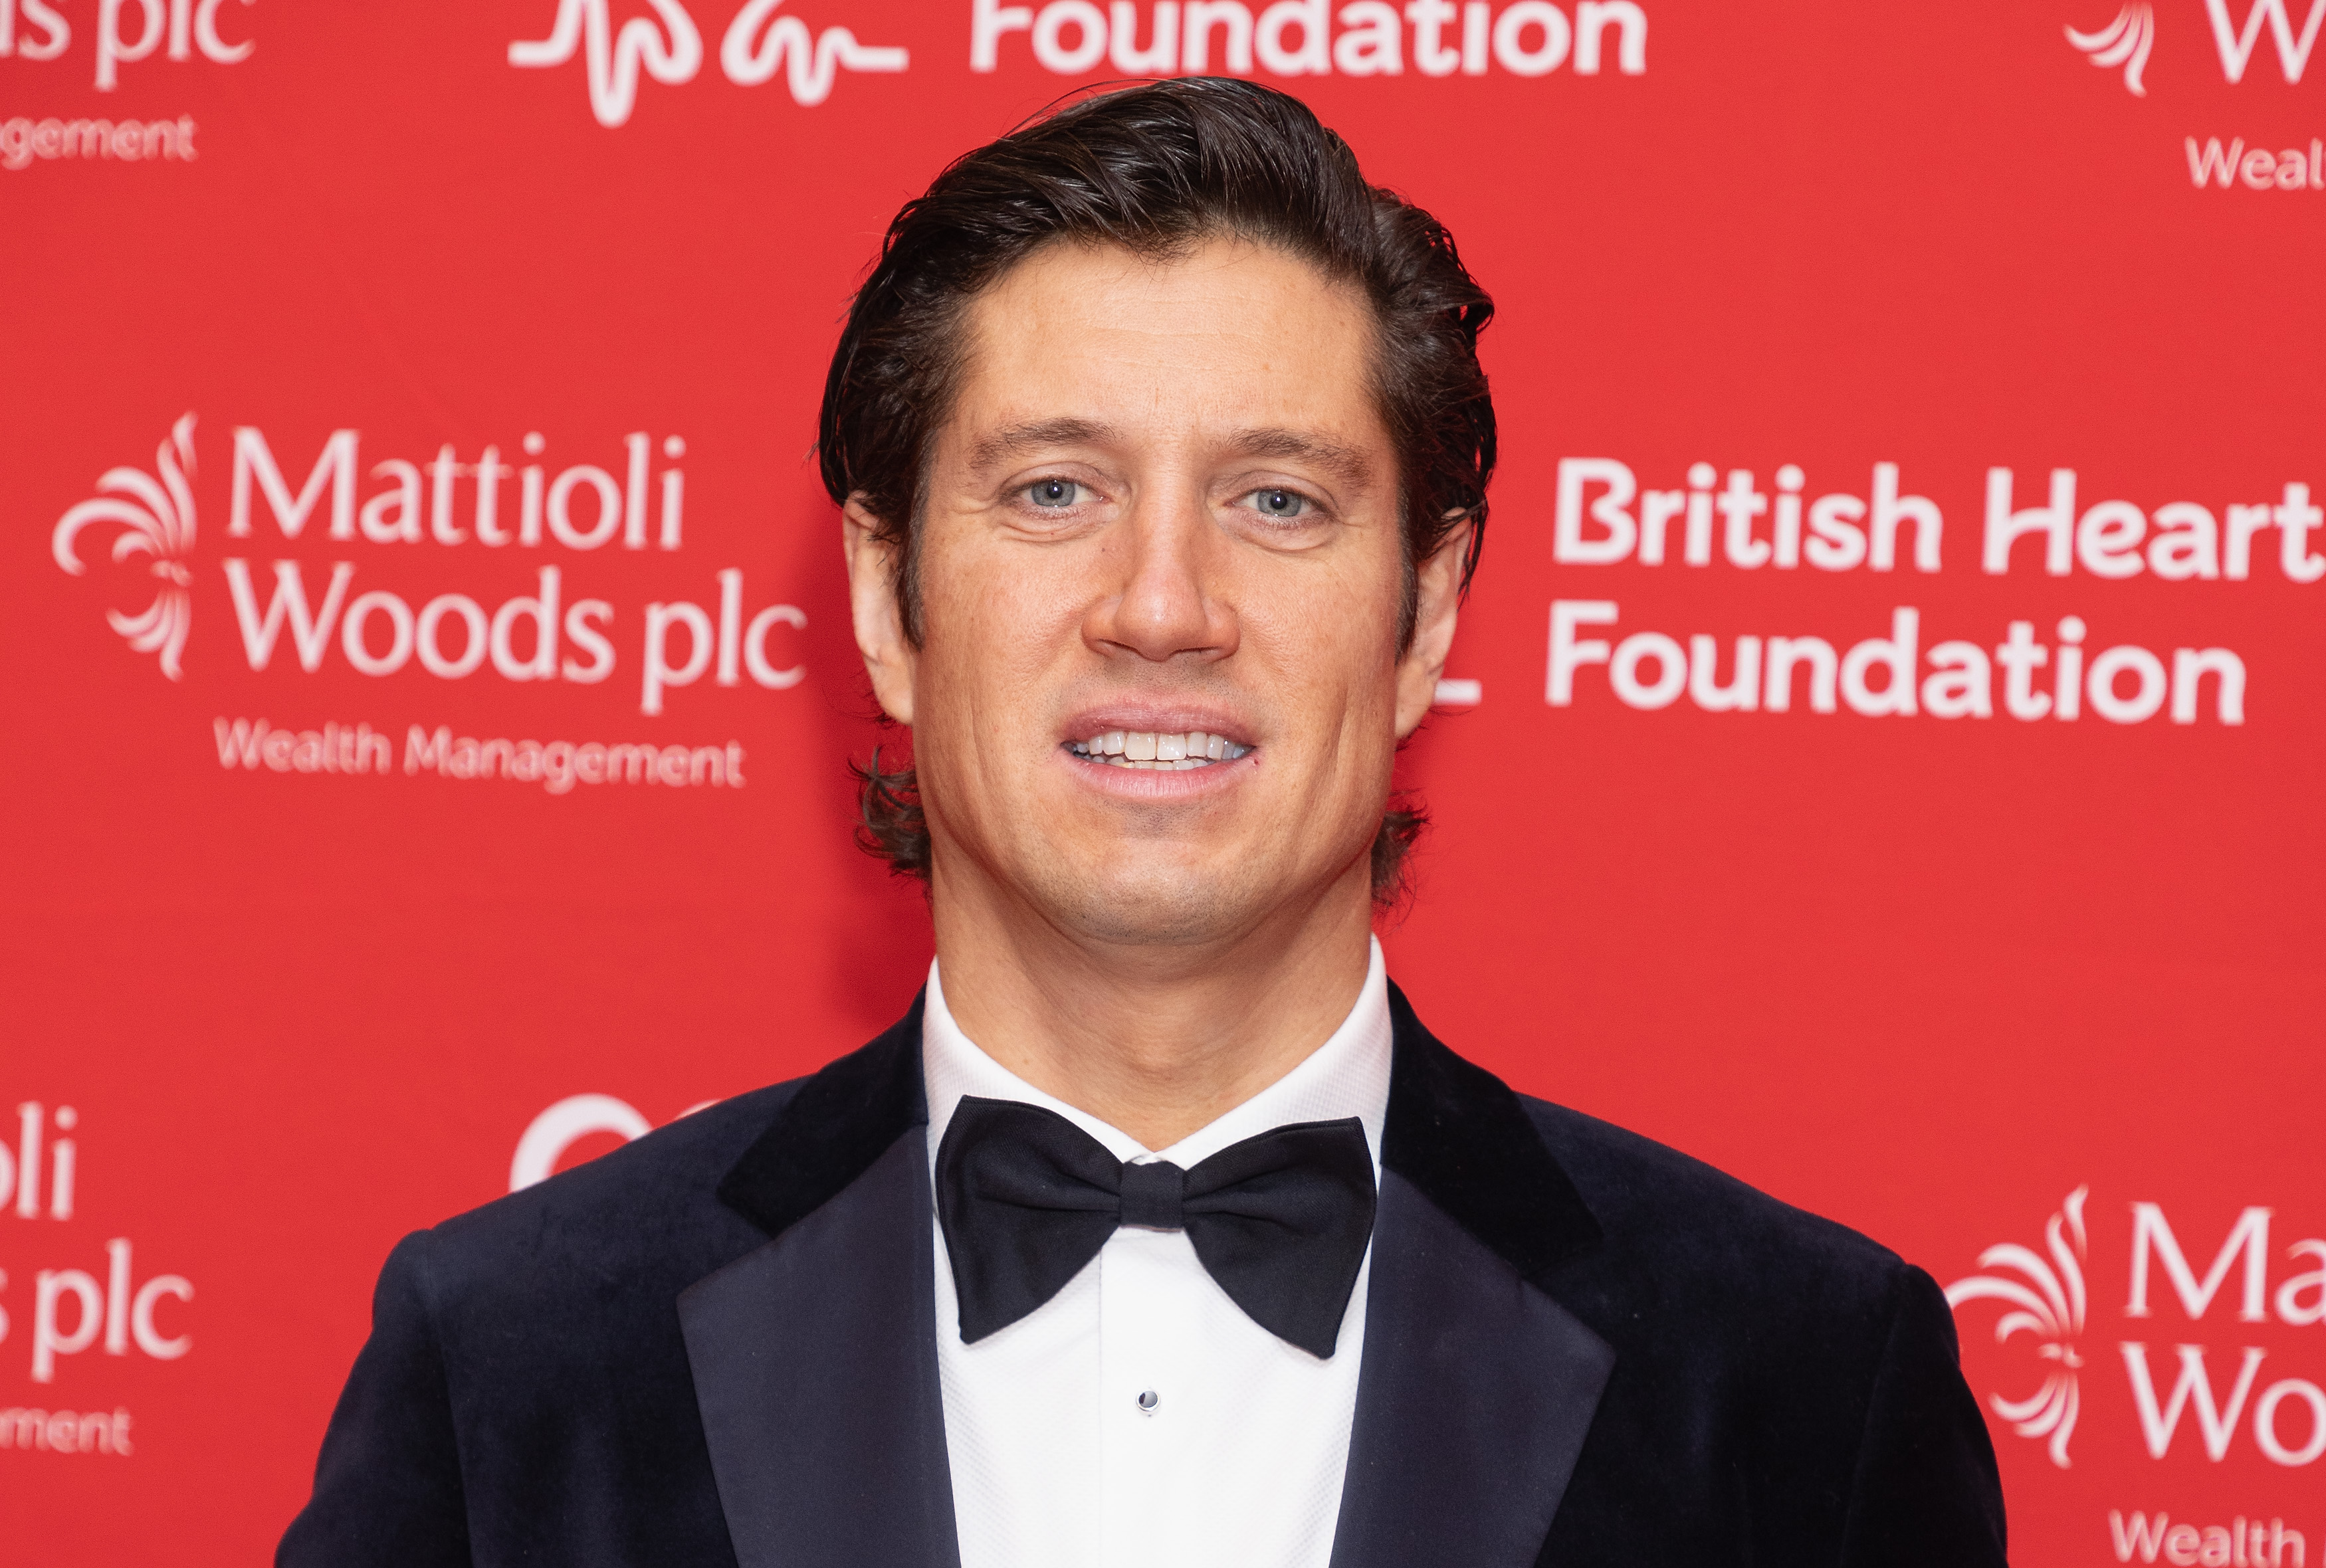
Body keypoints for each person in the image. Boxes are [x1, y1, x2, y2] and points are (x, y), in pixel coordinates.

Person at [278, 78, 2006, 1568]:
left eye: (1278, 500)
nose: (1163, 605)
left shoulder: (1804, 1383)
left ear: (1424, 613)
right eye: (1055, 490)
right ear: (885, 594)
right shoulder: (511, 1366)